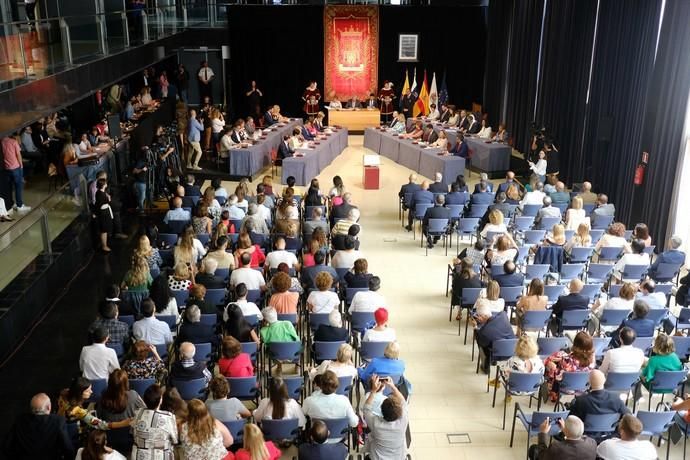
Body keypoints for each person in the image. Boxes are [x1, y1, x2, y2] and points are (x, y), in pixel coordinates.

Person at [1, 393, 74, 459]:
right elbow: (68, 449)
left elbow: (7, 446)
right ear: (49, 407)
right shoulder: (58, 421)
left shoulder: (20, 420)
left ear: (31, 408)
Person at [58, 377, 131, 433]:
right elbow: (100, 424)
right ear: (79, 392)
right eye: (87, 390)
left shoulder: (64, 394)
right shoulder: (76, 410)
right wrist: (122, 423)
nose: (91, 392)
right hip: (74, 434)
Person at [362, 374, 409, 460]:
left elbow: (366, 408)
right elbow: (403, 402)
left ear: (382, 411)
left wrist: (373, 391)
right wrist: (392, 386)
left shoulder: (375, 423)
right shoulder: (403, 419)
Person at [302, 370, 359, 438]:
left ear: (321, 385)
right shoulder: (344, 400)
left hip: (316, 437)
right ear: (337, 385)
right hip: (339, 438)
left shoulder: (309, 401)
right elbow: (354, 423)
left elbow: (301, 417)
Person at [544, 331, 595, 402]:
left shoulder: (566, 360)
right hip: (583, 388)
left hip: (566, 389)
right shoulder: (592, 361)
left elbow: (558, 377)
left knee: (552, 367)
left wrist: (554, 366)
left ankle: (551, 391)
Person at [131, 384, 178, 460]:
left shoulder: (137, 413)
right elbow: (175, 440)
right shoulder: (169, 417)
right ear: (160, 400)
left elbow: (133, 433)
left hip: (138, 456)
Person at [2, 134, 30, 212]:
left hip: (6, 168)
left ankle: (11, 203)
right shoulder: (13, 141)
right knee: (18, 187)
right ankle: (19, 205)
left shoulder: (1, 142)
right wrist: (21, 166)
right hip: (16, 167)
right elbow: (18, 155)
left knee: (9, 187)